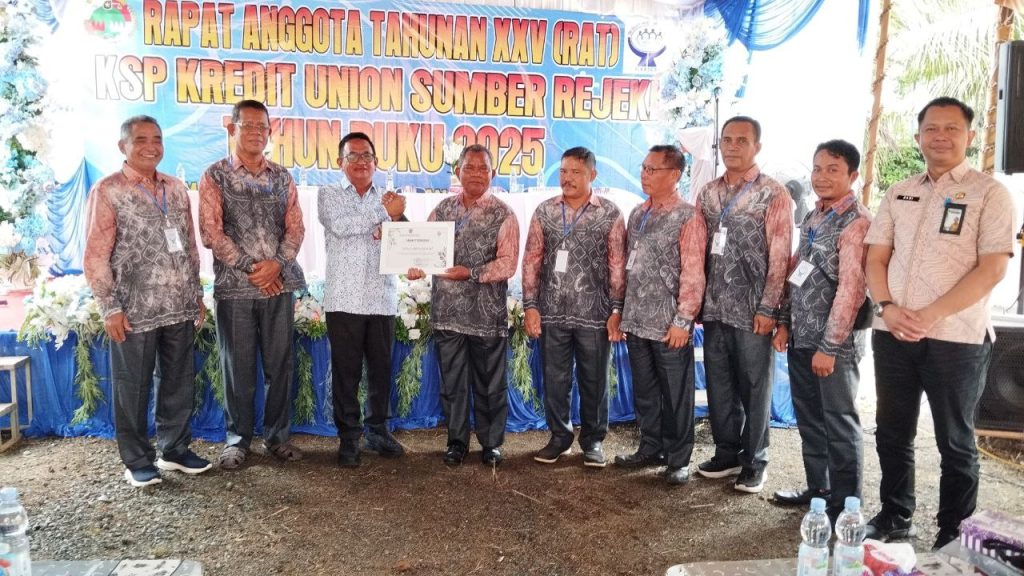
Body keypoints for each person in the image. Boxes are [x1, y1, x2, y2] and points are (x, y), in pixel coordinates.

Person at [863, 97, 1015, 549]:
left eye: (952, 128)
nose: (941, 137)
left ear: (971, 136)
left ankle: (953, 532)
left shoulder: (989, 193)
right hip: (893, 333)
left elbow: (993, 268)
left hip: (956, 338)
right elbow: (876, 258)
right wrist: (886, 307)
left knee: (955, 441)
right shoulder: (899, 191)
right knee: (892, 432)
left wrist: (931, 314)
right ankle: (895, 514)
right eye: (932, 129)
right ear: (918, 137)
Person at [84, 115, 211, 487]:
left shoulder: (175, 188)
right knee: (133, 386)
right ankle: (137, 460)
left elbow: (188, 245)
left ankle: (174, 450)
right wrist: (110, 307)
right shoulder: (108, 190)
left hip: (178, 306)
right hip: (134, 310)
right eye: (141, 140)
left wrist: (196, 294)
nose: (151, 146)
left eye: (157, 139)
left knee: (178, 382)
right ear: (122, 146)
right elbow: (95, 255)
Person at [199, 100, 306, 470]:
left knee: (280, 366)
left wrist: (277, 264)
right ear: (232, 129)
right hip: (235, 289)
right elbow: (211, 232)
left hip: (278, 286)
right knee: (238, 369)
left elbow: (296, 228)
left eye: (263, 126)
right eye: (248, 125)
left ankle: (277, 438)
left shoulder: (282, 177)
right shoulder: (215, 176)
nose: (257, 133)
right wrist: (251, 267)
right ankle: (237, 440)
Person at [772, 140, 871, 518]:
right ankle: (819, 489)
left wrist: (829, 347)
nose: (822, 176)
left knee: (839, 421)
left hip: (834, 345)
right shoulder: (814, 216)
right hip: (802, 336)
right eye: (817, 168)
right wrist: (785, 324)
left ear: (852, 175)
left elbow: (851, 290)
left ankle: (845, 504)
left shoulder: (856, 221)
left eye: (833, 169)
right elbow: (796, 273)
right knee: (810, 418)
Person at [696, 116, 794, 493]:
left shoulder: (773, 193)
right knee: (719, 385)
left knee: (754, 387)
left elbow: (781, 256)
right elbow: (698, 249)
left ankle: (756, 460)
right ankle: (726, 453)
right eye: (727, 140)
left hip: (754, 310)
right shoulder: (708, 192)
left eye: (741, 140)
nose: (732, 147)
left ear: (757, 147)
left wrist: (770, 308)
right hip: (715, 307)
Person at [407, 145, 519, 466]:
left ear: (493, 173)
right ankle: (456, 442)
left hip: (486, 317)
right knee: (453, 384)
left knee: (490, 385)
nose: (476, 174)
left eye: (483, 168)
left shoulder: (504, 214)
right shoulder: (442, 210)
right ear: (458, 172)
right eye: (469, 167)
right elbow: (422, 248)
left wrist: (470, 273)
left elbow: (508, 263)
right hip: (448, 315)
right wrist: (415, 265)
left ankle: (491, 444)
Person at [522, 146, 627, 467]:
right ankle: (559, 437)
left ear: (592, 174)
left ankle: (593, 440)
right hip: (552, 311)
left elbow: (617, 266)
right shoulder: (545, 211)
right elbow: (532, 260)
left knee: (594, 380)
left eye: (575, 172)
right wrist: (530, 305)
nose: (567, 178)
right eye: (563, 172)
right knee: (555, 379)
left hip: (595, 314)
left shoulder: (609, 213)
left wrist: (617, 309)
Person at [615, 145, 707, 485]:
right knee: (645, 390)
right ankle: (650, 447)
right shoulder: (638, 213)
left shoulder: (687, 216)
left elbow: (693, 272)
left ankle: (678, 458)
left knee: (676, 393)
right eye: (643, 168)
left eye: (652, 169)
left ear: (675, 174)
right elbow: (628, 267)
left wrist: (684, 320)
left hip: (670, 323)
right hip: (637, 319)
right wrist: (620, 310)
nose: (645, 174)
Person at [319, 131, 406, 467]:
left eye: (366, 155)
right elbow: (341, 226)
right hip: (345, 299)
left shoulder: (388, 198)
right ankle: (349, 437)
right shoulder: (328, 195)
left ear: (376, 162)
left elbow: (405, 238)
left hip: (381, 298)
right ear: (340, 162)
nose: (360, 161)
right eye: (352, 155)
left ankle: (378, 430)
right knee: (347, 373)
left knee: (381, 371)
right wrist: (384, 213)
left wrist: (397, 221)